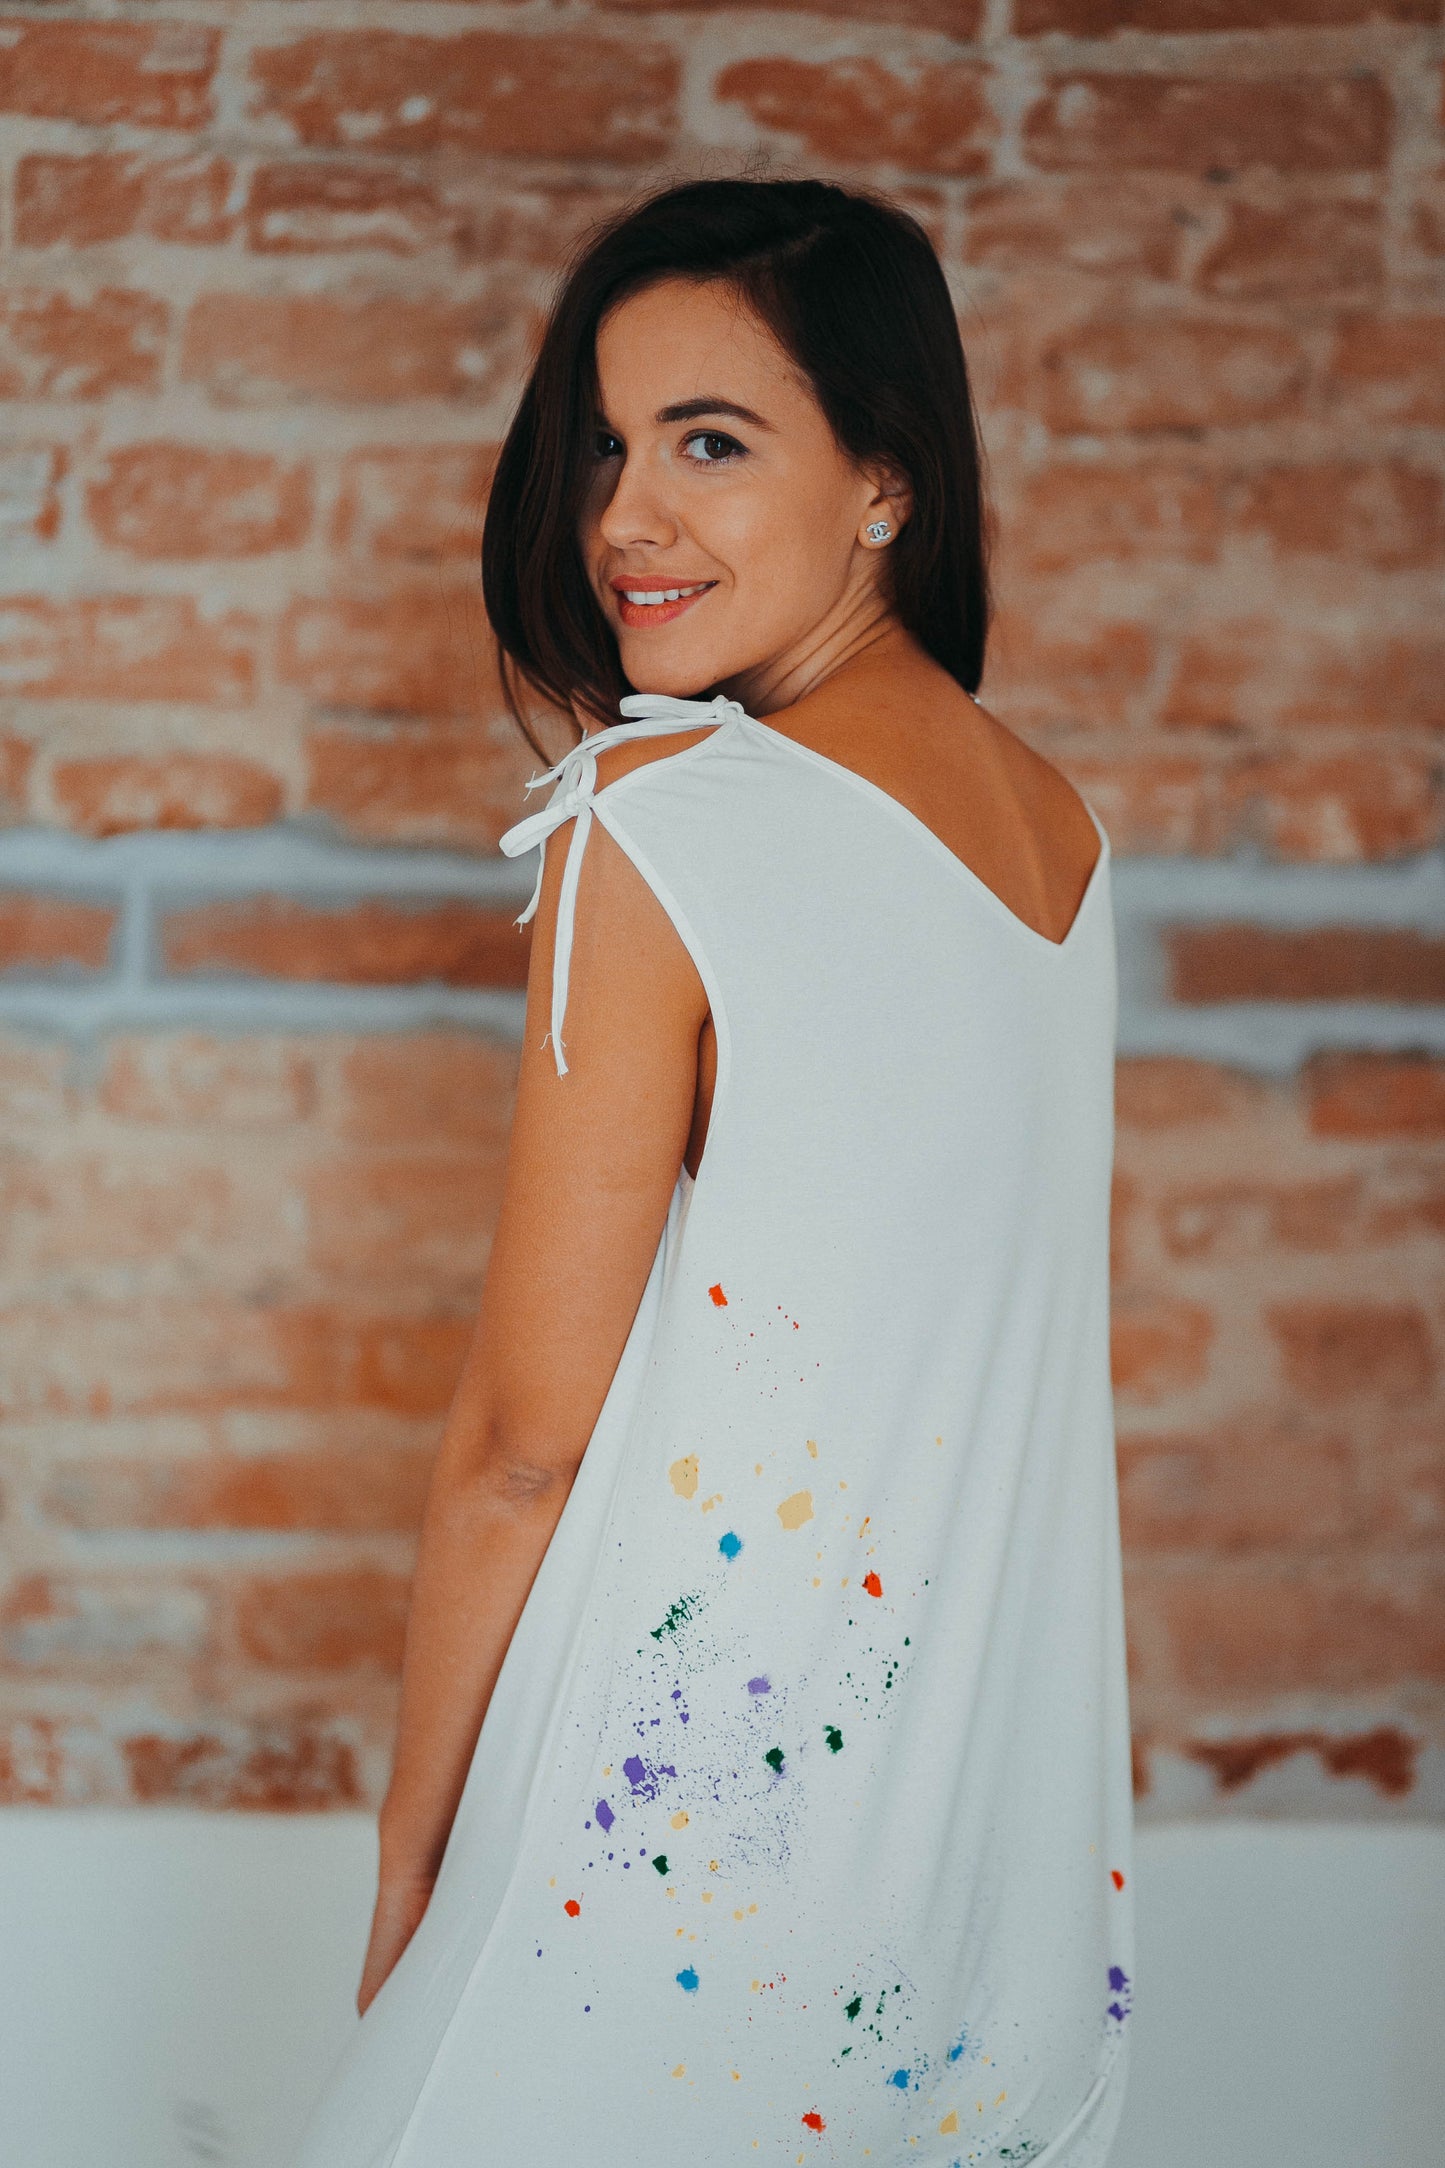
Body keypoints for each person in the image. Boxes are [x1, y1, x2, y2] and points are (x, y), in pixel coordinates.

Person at [287, 174, 1135, 2168]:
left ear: (885, 480)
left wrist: (414, 1845)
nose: (624, 520)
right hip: (972, 1869)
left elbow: (524, 1441)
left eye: (712, 443)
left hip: (664, 1831)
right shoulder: (1057, 838)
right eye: (609, 447)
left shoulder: (664, 813)